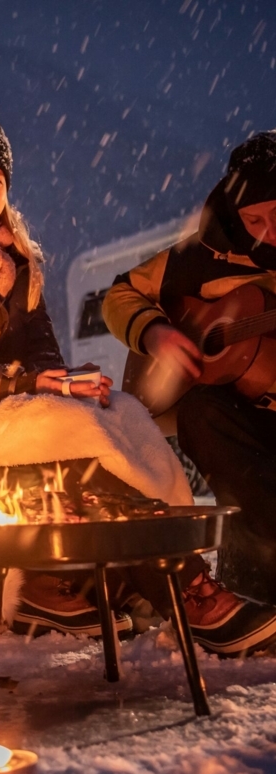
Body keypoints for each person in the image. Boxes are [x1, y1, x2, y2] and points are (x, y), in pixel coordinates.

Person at [0, 120, 276, 656]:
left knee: (109, 427)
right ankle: (187, 597)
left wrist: (65, 387)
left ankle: (156, 587)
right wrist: (23, 383)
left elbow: (40, 349)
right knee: (66, 452)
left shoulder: (16, 258)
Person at [103, 129, 276, 615]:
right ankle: (247, 599)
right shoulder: (201, 256)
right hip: (237, 422)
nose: (268, 231)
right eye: (254, 218)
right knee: (203, 413)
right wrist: (157, 332)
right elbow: (120, 294)